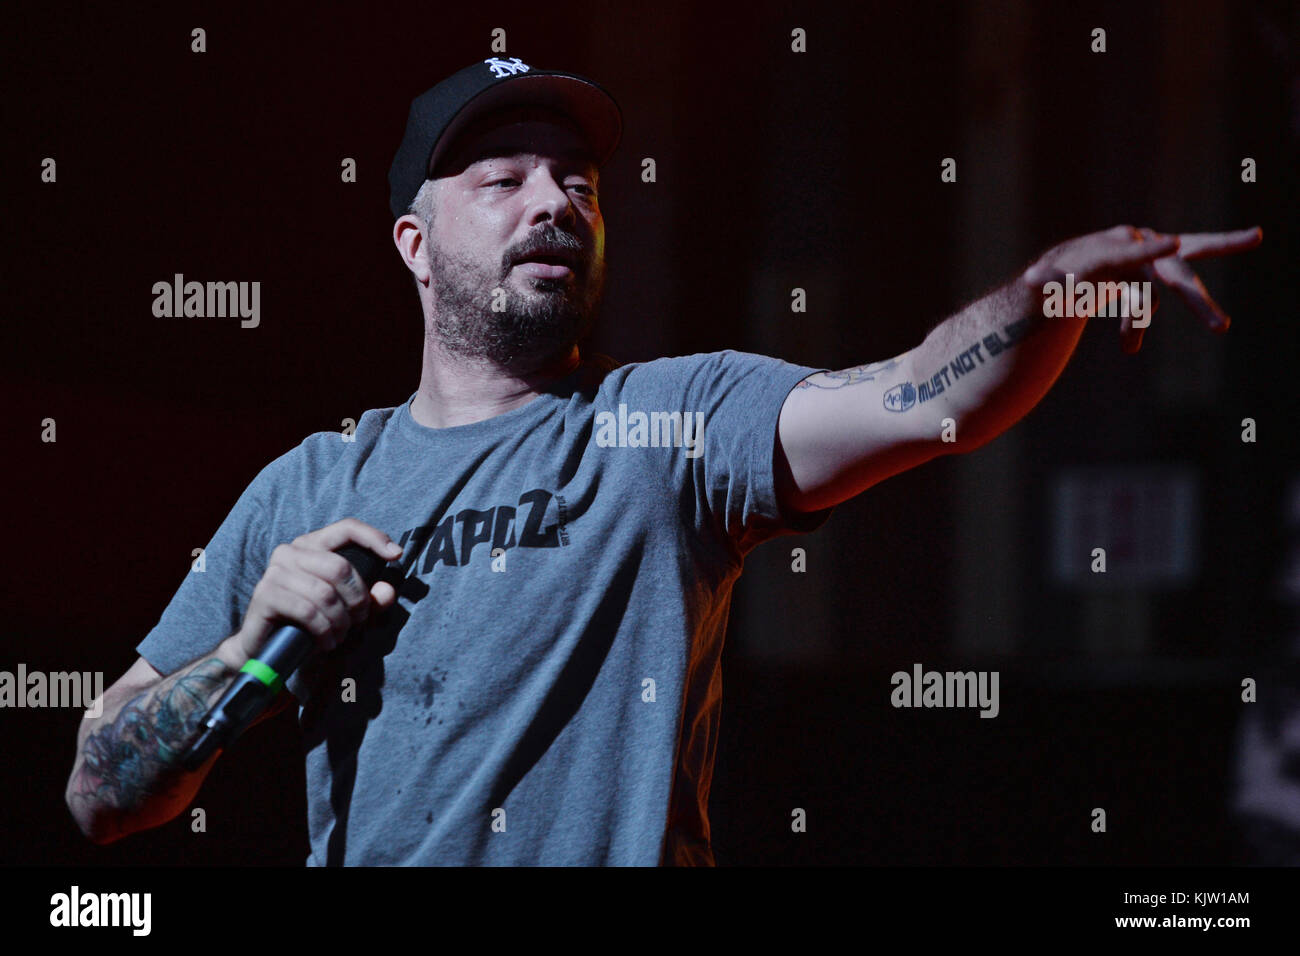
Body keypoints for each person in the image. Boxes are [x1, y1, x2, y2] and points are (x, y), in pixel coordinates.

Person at [63, 57, 1264, 865]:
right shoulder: (309, 485)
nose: (556, 200)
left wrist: (1044, 291)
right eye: (505, 179)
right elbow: (101, 793)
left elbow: (913, 399)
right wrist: (243, 658)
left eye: (577, 183)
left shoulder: (672, 421)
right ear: (414, 245)